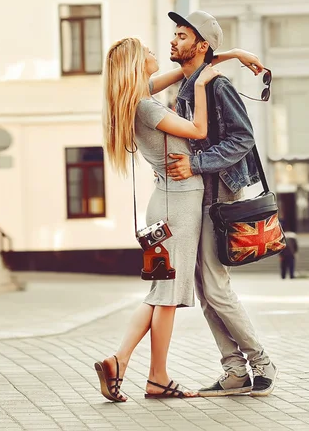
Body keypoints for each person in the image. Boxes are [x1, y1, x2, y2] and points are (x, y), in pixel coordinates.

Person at [95, 37, 265, 402]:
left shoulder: (135, 97)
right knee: (168, 296)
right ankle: (155, 376)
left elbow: (185, 69)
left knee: (160, 293)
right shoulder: (147, 108)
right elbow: (200, 131)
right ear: (136, 65)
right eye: (147, 52)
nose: (156, 52)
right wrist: (203, 85)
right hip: (180, 207)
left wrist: (233, 54)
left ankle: (120, 361)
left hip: (166, 205)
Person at [165, 10, 277, 398]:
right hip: (196, 195)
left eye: (182, 35)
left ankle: (260, 362)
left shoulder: (217, 86)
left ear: (200, 44)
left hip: (218, 194)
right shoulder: (190, 82)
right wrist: (233, 52)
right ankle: (234, 370)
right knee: (203, 286)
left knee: (215, 287)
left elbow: (242, 137)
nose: (173, 40)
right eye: (174, 34)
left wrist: (196, 163)